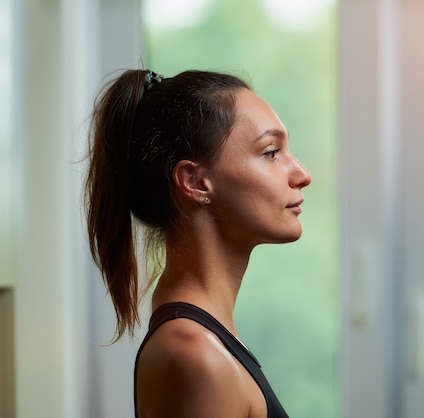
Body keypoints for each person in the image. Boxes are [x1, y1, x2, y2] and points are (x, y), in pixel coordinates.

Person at [84, 69, 312, 418]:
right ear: (196, 181)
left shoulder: (207, 341)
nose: (301, 174)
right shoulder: (196, 356)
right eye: (271, 152)